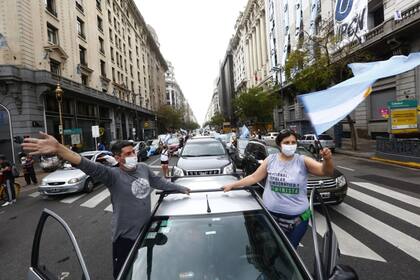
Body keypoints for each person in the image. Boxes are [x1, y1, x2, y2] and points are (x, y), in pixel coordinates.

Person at [22, 132, 190, 279]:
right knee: (123, 273)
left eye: (133, 151)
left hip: (145, 234)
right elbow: (86, 164)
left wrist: (181, 188)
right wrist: (60, 149)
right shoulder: (112, 175)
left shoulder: (143, 168)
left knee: (145, 270)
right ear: (118, 158)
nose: (133, 155)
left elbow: (159, 182)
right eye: (128, 153)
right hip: (125, 238)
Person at [223, 129, 334, 248]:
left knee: (290, 252)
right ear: (279, 144)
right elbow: (254, 177)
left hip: (298, 220)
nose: (290, 145)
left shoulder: (303, 161)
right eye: (287, 142)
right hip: (271, 217)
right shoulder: (271, 160)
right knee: (270, 250)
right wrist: (232, 185)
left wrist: (327, 160)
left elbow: (326, 171)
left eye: (293, 142)